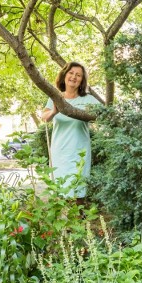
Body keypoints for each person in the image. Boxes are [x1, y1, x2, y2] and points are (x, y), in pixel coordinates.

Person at [42, 62, 101, 202]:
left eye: (78, 75)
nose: (74, 77)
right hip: (60, 151)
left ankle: (79, 222)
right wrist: (54, 111)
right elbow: (44, 118)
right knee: (62, 190)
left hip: (80, 150)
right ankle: (64, 222)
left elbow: (102, 115)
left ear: (82, 80)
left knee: (79, 190)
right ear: (64, 75)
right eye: (71, 73)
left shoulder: (88, 99)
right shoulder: (55, 97)